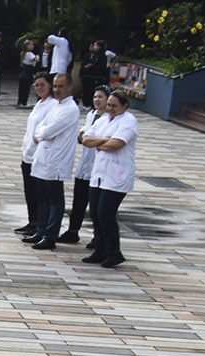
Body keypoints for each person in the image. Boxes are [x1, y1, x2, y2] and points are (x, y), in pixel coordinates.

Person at [82, 92, 137, 268]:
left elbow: (117, 144)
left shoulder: (129, 121)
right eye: (109, 105)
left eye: (114, 106)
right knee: (96, 213)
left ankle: (114, 252)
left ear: (124, 106)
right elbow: (85, 139)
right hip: (99, 174)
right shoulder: (103, 120)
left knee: (106, 213)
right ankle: (100, 249)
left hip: (117, 175)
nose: (110, 109)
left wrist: (100, 143)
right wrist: (104, 141)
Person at [25, 73, 78, 249]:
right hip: (43, 156)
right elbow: (42, 127)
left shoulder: (70, 109)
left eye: (60, 86)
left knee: (54, 199)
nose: (56, 90)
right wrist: (41, 134)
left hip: (57, 160)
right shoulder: (56, 106)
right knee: (41, 197)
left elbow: (47, 131)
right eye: (55, 86)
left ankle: (50, 234)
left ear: (70, 87)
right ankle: (41, 230)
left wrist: (41, 134)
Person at [63, 86, 110, 245]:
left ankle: (98, 238)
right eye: (95, 97)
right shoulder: (91, 115)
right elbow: (82, 136)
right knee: (78, 201)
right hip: (84, 166)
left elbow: (92, 138)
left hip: (98, 168)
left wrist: (87, 138)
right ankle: (73, 231)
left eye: (101, 97)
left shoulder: (109, 119)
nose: (97, 100)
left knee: (96, 207)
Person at [15, 75, 55, 236]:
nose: (39, 88)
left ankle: (40, 223)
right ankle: (32, 221)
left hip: (39, 155)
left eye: (42, 85)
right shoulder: (39, 103)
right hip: (28, 153)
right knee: (29, 191)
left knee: (39, 193)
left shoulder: (52, 105)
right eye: (36, 85)